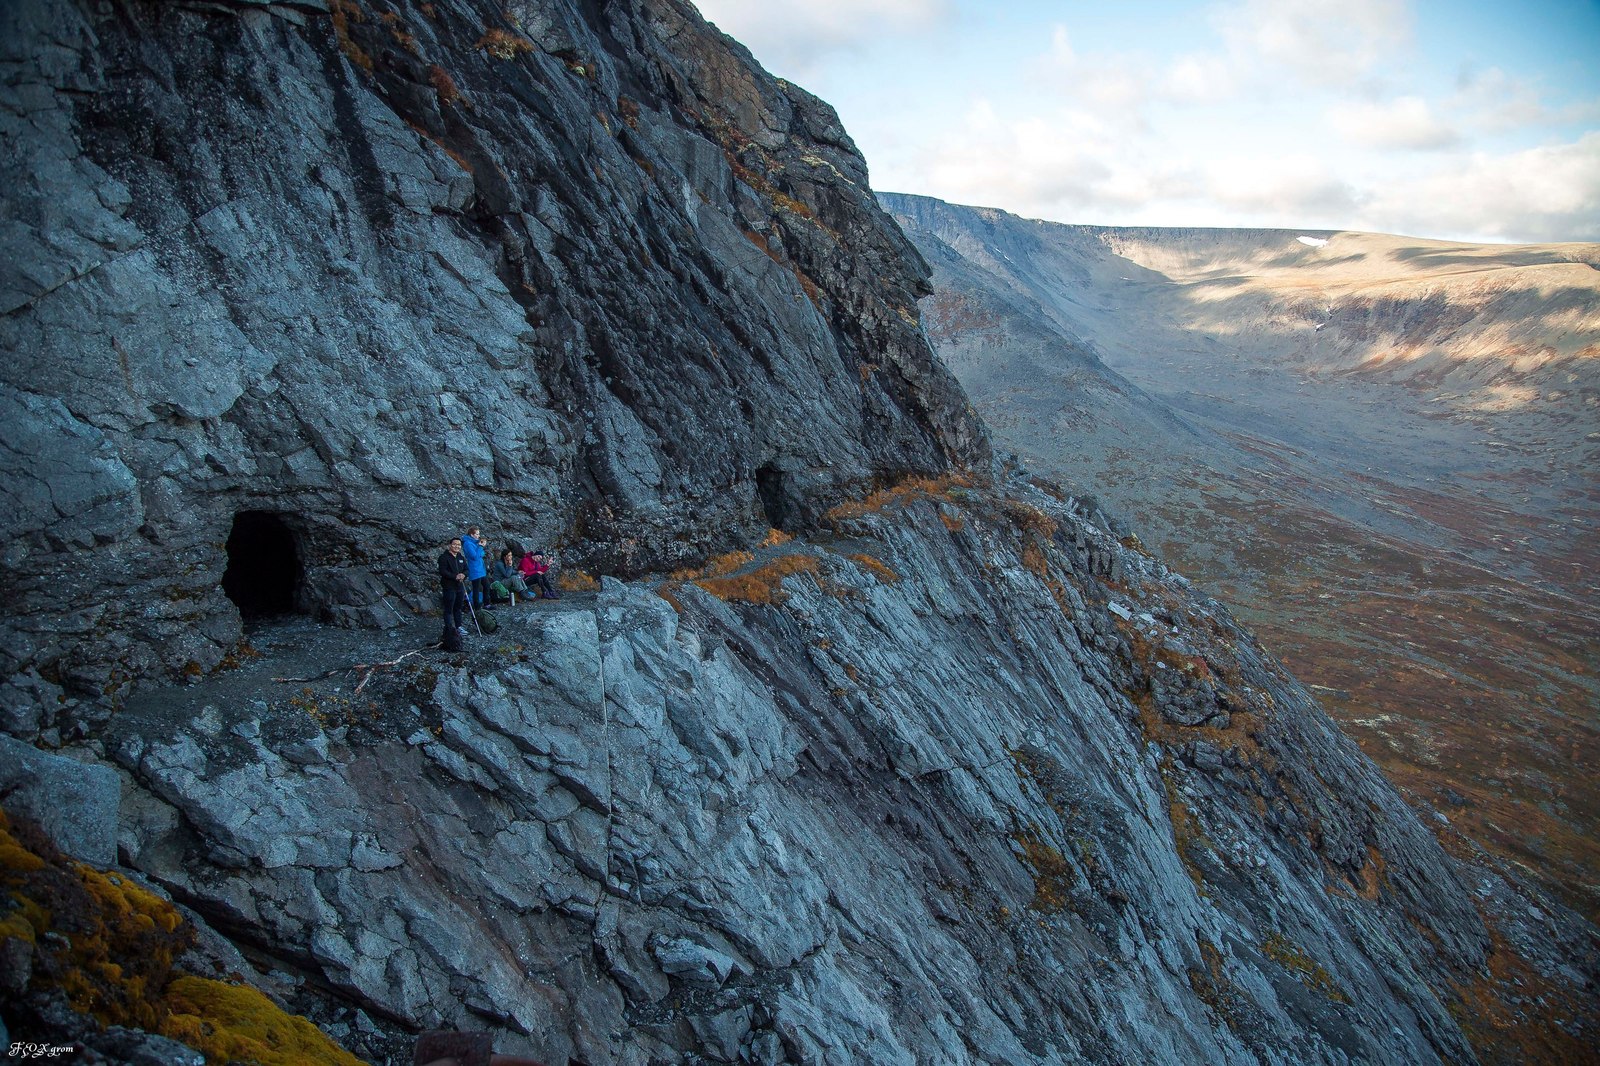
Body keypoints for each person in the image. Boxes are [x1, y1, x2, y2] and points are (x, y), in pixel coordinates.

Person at [437, 536, 468, 639]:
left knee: (458, 608)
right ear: (450, 545)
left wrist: (463, 575)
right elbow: (443, 571)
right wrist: (455, 576)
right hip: (449, 586)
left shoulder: (461, 557)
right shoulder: (443, 557)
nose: (457, 546)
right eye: (454, 544)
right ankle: (449, 629)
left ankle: (459, 627)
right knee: (448, 609)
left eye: (459, 545)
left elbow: (466, 570)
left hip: (460, 586)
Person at [463, 525, 490, 610]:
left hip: (481, 568)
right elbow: (474, 556)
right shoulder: (468, 544)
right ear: (472, 534)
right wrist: (480, 547)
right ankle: (477, 607)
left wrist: (480, 549)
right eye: (477, 534)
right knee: (476, 588)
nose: (478, 536)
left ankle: (486, 603)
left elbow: (481, 554)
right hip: (474, 569)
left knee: (486, 585)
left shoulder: (475, 543)